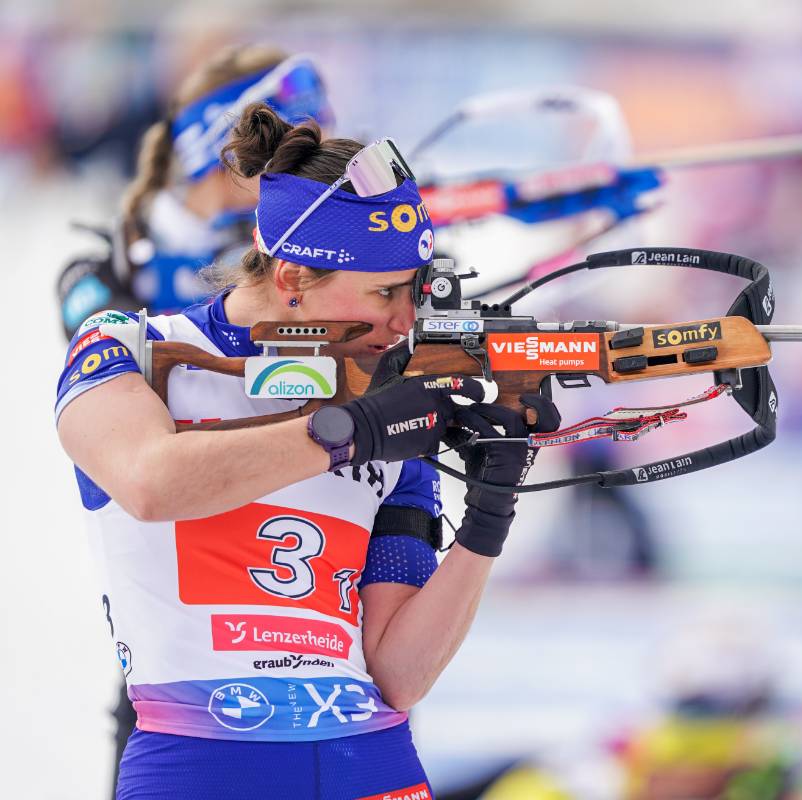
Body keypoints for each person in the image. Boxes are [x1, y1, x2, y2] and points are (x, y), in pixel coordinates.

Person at [55, 102, 559, 799]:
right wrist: (353, 432)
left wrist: (490, 512)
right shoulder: (129, 348)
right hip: (200, 764)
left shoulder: (384, 395)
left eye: (411, 292)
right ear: (291, 277)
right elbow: (151, 483)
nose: (404, 320)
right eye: (384, 292)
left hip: (374, 765)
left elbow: (400, 674)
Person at [55, 43, 333, 340]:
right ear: (234, 152)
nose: (322, 179)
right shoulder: (109, 269)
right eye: (303, 156)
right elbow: (109, 354)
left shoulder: (315, 251)